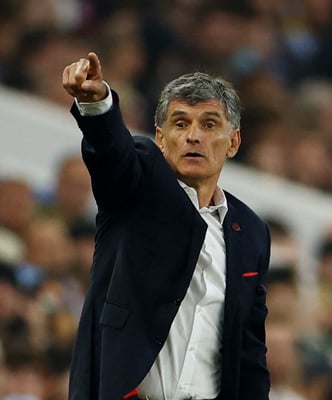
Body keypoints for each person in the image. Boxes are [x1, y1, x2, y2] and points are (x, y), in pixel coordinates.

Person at [61, 51, 271, 400]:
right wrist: (97, 105)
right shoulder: (139, 182)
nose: (193, 136)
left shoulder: (251, 231)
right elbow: (112, 153)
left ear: (233, 142)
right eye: (180, 123)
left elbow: (249, 349)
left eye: (209, 125)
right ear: (160, 138)